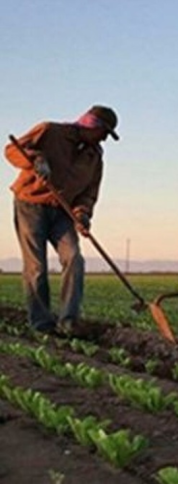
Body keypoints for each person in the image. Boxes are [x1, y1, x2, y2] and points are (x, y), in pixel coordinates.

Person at [4, 105, 119, 337]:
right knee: (36, 266)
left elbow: (89, 193)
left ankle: (69, 321)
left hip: (62, 212)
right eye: (104, 132)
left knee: (74, 258)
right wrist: (36, 160)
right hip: (31, 204)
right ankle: (42, 324)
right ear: (90, 125)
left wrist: (82, 214)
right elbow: (11, 151)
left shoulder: (94, 158)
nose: (104, 139)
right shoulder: (50, 131)